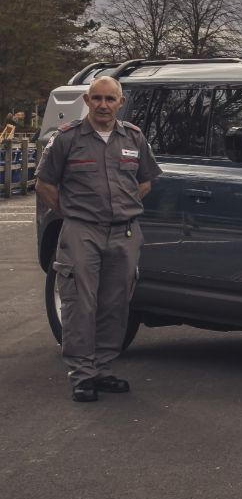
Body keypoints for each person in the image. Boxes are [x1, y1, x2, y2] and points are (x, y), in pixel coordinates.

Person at [36, 77, 161, 403]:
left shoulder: (133, 137)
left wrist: (122, 204)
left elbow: (146, 180)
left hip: (124, 232)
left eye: (110, 99)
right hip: (82, 232)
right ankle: (82, 375)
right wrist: (74, 213)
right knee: (80, 304)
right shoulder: (66, 139)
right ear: (86, 100)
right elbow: (45, 184)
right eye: (97, 98)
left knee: (115, 304)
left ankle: (103, 370)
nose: (103, 105)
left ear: (120, 103)